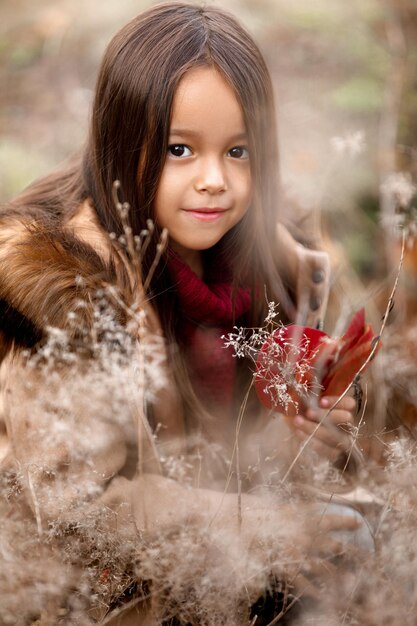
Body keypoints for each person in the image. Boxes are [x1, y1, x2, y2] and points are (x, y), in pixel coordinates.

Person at [0, 3, 366, 624]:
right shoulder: (67, 293)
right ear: (122, 142)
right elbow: (77, 510)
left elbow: (216, 457)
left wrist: (295, 437)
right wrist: (263, 527)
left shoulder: (272, 268)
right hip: (86, 597)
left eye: (238, 151)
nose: (214, 180)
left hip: (211, 564)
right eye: (179, 149)